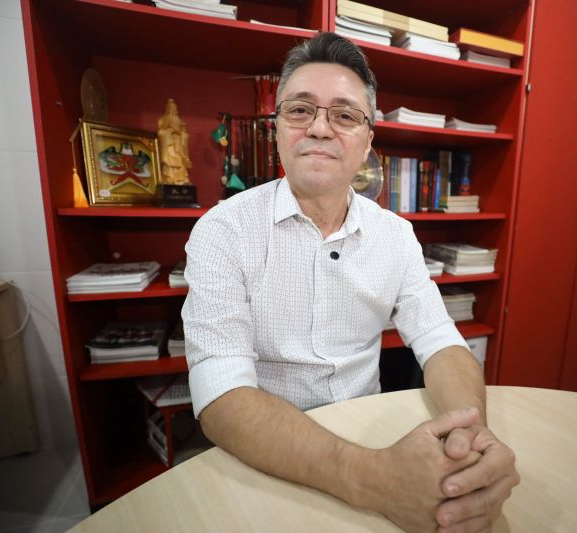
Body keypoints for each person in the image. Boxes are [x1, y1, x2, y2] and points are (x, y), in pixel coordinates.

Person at [182, 32, 519, 532]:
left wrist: (471, 443)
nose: (319, 128)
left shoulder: (396, 236)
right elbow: (221, 397)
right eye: (300, 110)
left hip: (370, 433)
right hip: (268, 455)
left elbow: (442, 343)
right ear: (278, 129)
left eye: (344, 115)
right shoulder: (222, 231)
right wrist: (376, 480)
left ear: (367, 143)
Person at [157, 98, 192, 185]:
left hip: (179, 143)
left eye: (174, 108)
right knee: (170, 162)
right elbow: (160, 132)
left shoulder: (180, 120)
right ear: (168, 109)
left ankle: (181, 179)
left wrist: (183, 134)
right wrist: (169, 131)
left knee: (181, 161)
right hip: (169, 143)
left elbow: (184, 131)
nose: (173, 110)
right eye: (171, 108)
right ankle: (170, 178)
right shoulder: (163, 120)